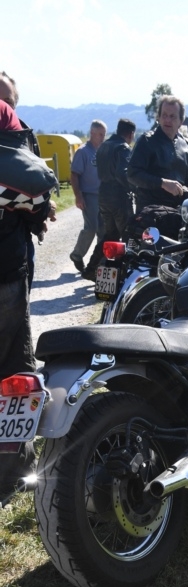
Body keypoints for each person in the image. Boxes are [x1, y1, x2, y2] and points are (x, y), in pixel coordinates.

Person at [0, 100, 55, 502]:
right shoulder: (6, 114)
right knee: (14, 371)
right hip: (6, 273)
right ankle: (13, 470)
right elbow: (37, 194)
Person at [0, 70, 56, 289]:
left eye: (7, 101)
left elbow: (33, 184)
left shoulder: (26, 135)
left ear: (15, 104)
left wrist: (43, 208)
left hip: (18, 243)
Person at [127, 95, 188, 213]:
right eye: (164, 115)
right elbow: (132, 174)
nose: (167, 120)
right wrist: (162, 183)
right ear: (158, 117)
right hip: (150, 213)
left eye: (172, 116)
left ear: (181, 120)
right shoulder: (147, 141)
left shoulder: (185, 145)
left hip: (178, 213)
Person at [69, 119, 107, 276]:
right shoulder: (83, 152)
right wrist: (78, 196)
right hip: (89, 195)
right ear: (92, 133)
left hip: (103, 195)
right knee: (91, 228)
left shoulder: (102, 151)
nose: (103, 137)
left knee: (103, 230)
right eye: (100, 134)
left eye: (104, 134)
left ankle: (99, 263)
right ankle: (77, 255)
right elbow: (74, 174)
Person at [96, 118, 136, 243]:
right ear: (131, 134)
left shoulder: (103, 146)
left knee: (110, 235)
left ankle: (101, 255)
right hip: (119, 196)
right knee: (128, 234)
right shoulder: (123, 148)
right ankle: (126, 256)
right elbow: (122, 173)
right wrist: (135, 189)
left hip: (103, 195)